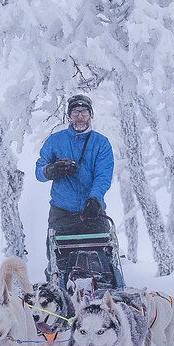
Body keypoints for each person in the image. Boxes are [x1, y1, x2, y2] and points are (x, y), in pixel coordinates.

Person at [35, 95, 117, 284]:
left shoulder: (101, 143)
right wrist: (51, 170)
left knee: (102, 263)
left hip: (93, 212)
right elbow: (39, 171)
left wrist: (95, 199)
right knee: (60, 265)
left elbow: (103, 175)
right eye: (75, 112)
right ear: (69, 115)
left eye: (84, 112)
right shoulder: (55, 141)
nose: (80, 116)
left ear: (91, 115)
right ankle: (60, 295)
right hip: (62, 212)